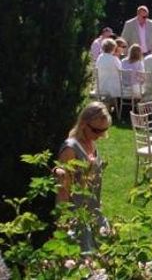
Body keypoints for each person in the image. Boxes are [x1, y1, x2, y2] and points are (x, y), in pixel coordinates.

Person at [55, 102, 112, 252]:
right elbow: (63, 190)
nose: (100, 135)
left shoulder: (91, 143)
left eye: (104, 130)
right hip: (77, 216)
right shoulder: (70, 149)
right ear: (83, 124)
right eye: (96, 130)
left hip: (94, 212)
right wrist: (62, 221)